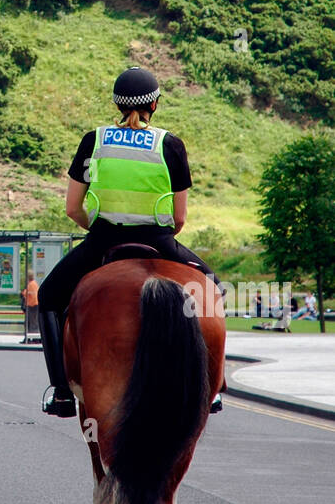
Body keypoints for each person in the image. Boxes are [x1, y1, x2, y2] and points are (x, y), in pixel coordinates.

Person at [37, 66, 224, 417]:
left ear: (116, 103)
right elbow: (180, 218)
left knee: (48, 296)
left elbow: (73, 207)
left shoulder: (95, 140)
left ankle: (61, 390)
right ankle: (212, 387)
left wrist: (96, 227)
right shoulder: (169, 145)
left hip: (103, 239)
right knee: (213, 289)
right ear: (154, 104)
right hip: (158, 240)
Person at [22, 271, 40, 340]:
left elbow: (28, 294)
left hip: (32, 306)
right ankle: (31, 338)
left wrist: (24, 293)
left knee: (32, 323)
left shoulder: (31, 285)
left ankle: (33, 338)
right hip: (34, 305)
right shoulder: (34, 284)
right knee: (32, 323)